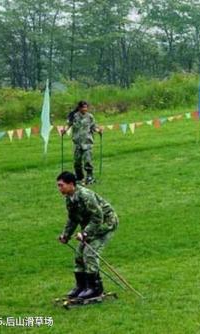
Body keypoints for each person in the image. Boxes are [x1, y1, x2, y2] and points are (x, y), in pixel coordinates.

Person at [57, 171, 118, 299]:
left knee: (89, 254)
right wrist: (66, 235)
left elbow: (98, 217)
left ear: (71, 184)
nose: (59, 188)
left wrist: (85, 233)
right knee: (79, 254)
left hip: (105, 224)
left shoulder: (85, 195)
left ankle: (95, 288)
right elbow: (73, 219)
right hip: (92, 225)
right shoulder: (70, 198)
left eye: (61, 185)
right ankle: (82, 286)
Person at [61, 101, 102, 185]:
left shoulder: (90, 117)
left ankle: (90, 177)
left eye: (86, 107)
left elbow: (93, 127)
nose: (85, 109)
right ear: (79, 108)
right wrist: (64, 131)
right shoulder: (74, 116)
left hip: (87, 142)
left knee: (88, 160)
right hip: (77, 143)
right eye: (83, 107)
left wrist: (99, 131)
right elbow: (68, 125)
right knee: (77, 162)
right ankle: (79, 177)